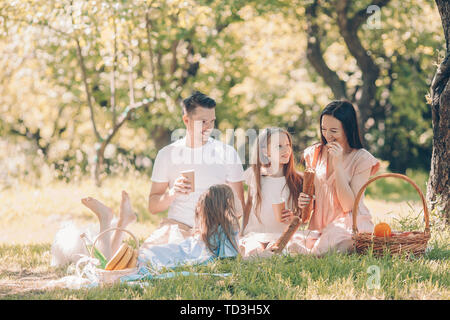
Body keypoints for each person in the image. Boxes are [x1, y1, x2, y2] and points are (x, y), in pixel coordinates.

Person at [146, 91, 245, 245]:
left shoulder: (227, 153)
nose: (209, 127)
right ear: (186, 120)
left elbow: (239, 209)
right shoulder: (167, 154)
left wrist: (216, 215)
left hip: (215, 229)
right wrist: (172, 193)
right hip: (177, 227)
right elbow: (153, 206)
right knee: (146, 255)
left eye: (212, 121)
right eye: (203, 121)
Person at [286, 100, 380, 256]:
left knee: (341, 241)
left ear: (347, 129)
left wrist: (338, 164)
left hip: (349, 224)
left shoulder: (362, 159)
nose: (328, 136)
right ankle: (316, 252)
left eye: (334, 131)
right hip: (321, 225)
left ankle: (314, 255)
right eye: (324, 129)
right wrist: (304, 200)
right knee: (292, 240)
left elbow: (348, 205)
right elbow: (311, 199)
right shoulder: (314, 153)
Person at [134, 184, 240, 273]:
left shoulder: (213, 228)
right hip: (190, 252)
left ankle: (139, 256)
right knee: (168, 253)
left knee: (160, 252)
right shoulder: (228, 228)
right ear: (228, 204)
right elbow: (229, 257)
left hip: (184, 250)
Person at [239, 128, 303, 257]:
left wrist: (292, 218)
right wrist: (242, 232)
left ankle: (268, 255)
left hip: (281, 235)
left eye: (288, 145)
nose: (286, 150)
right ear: (265, 151)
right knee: (253, 252)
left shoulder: (297, 179)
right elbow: (248, 206)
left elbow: (301, 216)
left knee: (280, 253)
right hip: (255, 234)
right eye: (279, 146)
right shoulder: (254, 174)